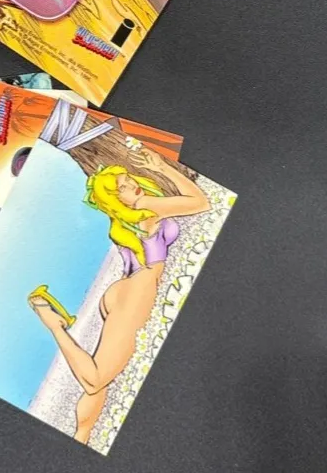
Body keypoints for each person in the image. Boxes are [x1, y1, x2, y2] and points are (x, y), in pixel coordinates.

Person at [29, 148, 209, 444]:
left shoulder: (122, 221)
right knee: (95, 379)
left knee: (100, 386)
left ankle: (81, 436)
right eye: (121, 188)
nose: (131, 186)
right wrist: (163, 168)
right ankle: (53, 322)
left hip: (124, 290)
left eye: (127, 180)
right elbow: (200, 202)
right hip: (139, 287)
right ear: (115, 199)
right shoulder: (144, 206)